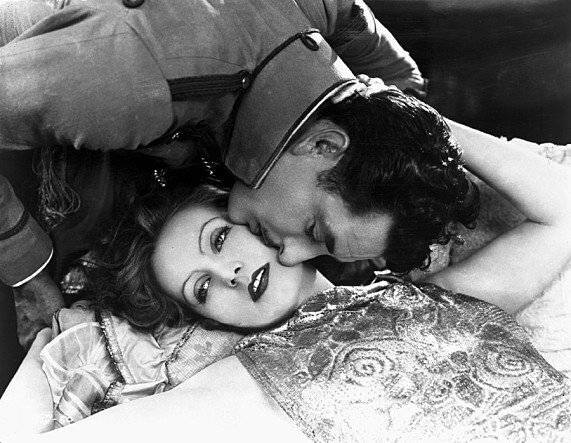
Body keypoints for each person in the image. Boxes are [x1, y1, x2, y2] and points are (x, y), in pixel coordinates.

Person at [1, 90, 571, 441]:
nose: (227, 276)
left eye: (221, 239)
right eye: (202, 289)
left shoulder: (423, 301)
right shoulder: (251, 373)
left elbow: (560, 211)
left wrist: (411, 125)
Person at [0, 0, 427, 349]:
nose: (290, 254)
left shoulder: (324, 7)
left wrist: (407, 186)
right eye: (314, 230)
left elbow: (401, 80)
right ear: (324, 146)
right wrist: (28, 274)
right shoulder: (132, 87)